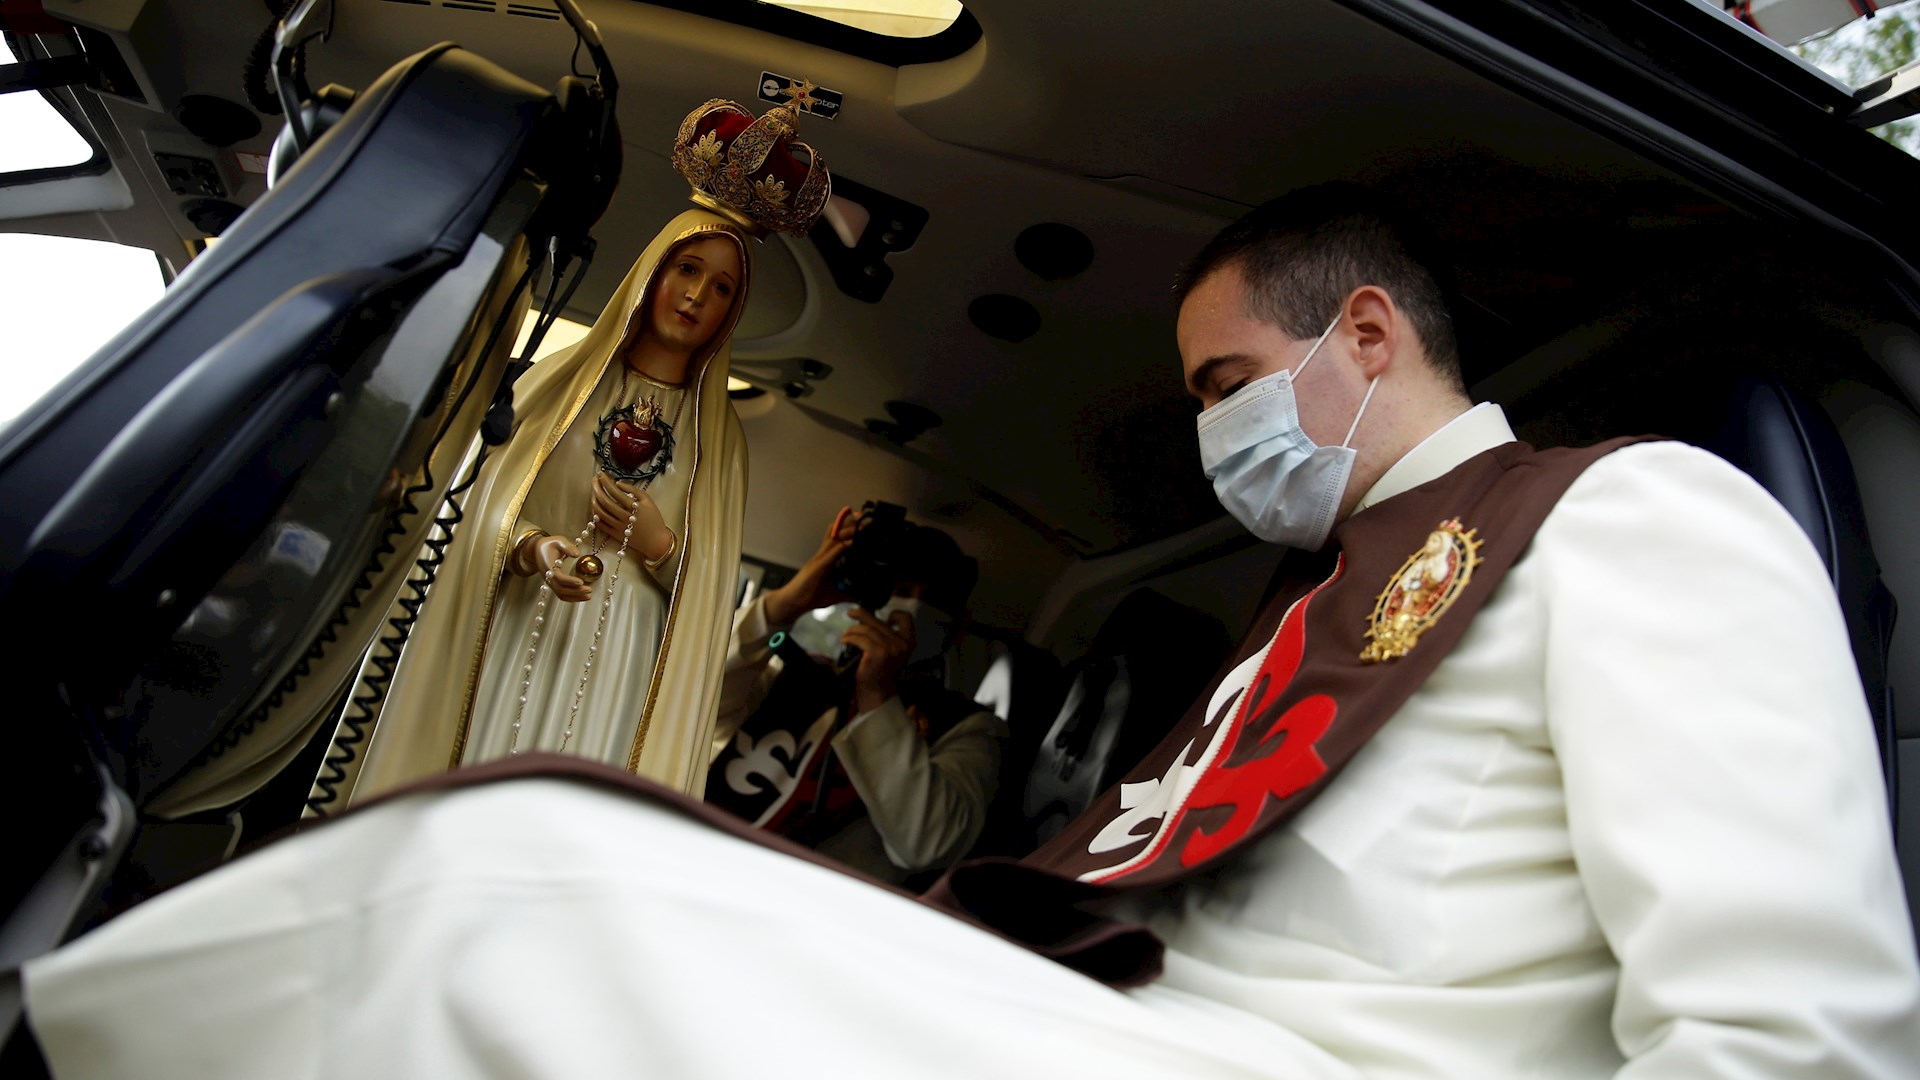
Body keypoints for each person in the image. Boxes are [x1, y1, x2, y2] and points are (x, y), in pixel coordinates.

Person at [24, 185, 1919, 1080]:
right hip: (1139, 1023)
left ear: (1365, 340)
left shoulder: (1633, 512)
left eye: (1223, 382)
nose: (1209, 436)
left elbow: (1794, 1036)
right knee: (529, 844)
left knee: (500, 889)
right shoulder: (1306, 612)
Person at [304, 98, 831, 810]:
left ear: (733, 312)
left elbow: (706, 598)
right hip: (518, 628)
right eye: (687, 270)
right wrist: (536, 550)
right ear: (653, 273)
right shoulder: (561, 386)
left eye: (722, 288)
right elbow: (476, 509)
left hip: (620, 658)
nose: (697, 295)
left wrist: (659, 544)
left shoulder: (720, 442)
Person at [706, 506, 1004, 884]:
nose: (912, 606)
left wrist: (877, 697)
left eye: (933, 601)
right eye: (901, 591)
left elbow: (929, 845)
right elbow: (690, 703)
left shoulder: (969, 728)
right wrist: (783, 606)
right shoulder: (796, 677)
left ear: (959, 628)